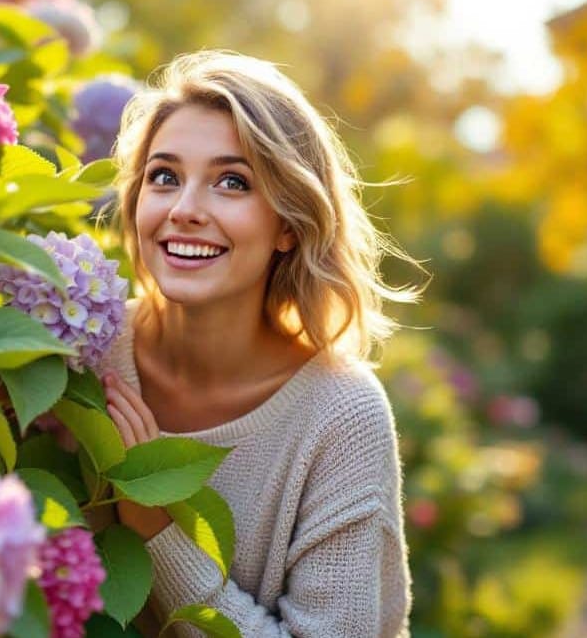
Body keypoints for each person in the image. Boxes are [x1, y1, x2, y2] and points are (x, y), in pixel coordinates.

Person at [100, 51, 419, 637]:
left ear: (289, 225)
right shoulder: (83, 350)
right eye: (164, 176)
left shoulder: (339, 416)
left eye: (232, 182)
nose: (185, 210)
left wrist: (157, 532)